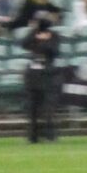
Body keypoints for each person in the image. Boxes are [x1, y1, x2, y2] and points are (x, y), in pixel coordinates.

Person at [20, 15, 62, 144]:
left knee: (48, 107)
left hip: (48, 73)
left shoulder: (54, 35)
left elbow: (55, 51)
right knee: (32, 106)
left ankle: (50, 134)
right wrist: (35, 36)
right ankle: (33, 135)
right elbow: (24, 44)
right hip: (33, 74)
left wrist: (43, 42)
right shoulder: (33, 34)